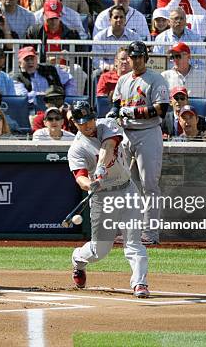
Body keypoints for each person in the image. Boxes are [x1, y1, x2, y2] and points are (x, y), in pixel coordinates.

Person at [67, 100, 150, 297]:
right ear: (74, 123)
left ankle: (139, 283)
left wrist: (101, 167)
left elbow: (109, 145)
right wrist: (90, 184)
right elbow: (80, 178)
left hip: (126, 189)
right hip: (102, 198)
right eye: (82, 122)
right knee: (99, 251)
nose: (87, 124)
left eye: (89, 119)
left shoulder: (107, 124)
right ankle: (78, 259)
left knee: (133, 241)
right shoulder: (77, 148)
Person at [107, 41, 169, 246]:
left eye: (139, 56)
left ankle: (150, 233)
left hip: (148, 133)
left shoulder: (155, 78)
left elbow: (162, 109)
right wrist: (113, 114)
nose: (136, 60)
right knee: (125, 185)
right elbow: (116, 104)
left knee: (149, 185)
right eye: (133, 57)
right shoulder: (123, 79)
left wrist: (132, 112)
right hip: (127, 134)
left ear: (146, 58)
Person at [161, 42, 206, 108]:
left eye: (177, 56)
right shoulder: (164, 76)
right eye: (172, 57)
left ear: (188, 56)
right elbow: (160, 103)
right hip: (172, 116)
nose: (175, 60)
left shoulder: (202, 76)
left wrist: (193, 104)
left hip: (196, 115)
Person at [11, 46, 76, 102]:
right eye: (27, 59)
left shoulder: (50, 69)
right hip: (31, 109)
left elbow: (69, 79)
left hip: (54, 107)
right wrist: (43, 95)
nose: (30, 62)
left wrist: (68, 99)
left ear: (37, 59)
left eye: (32, 58)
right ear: (20, 63)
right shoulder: (16, 77)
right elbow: (23, 96)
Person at [92, 5, 143, 71]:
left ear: (125, 19)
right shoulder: (100, 37)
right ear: (110, 20)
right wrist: (109, 67)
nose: (119, 20)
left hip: (129, 71)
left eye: (121, 17)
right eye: (116, 17)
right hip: (107, 71)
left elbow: (139, 57)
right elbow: (97, 61)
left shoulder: (134, 36)